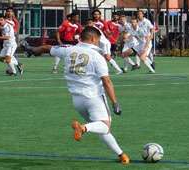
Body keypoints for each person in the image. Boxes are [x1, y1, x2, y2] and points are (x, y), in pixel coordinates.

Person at [49, 26, 130, 164]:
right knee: (104, 125)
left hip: (77, 101)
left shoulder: (69, 49)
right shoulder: (97, 57)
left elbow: (49, 48)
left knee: (100, 126)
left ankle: (121, 155)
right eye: (98, 40)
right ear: (93, 39)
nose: (98, 43)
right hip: (93, 97)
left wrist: (34, 50)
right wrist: (115, 102)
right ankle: (83, 128)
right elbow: (107, 81)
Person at [91, 10, 123, 74]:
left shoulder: (103, 22)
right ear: (93, 15)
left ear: (100, 15)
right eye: (95, 14)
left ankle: (119, 70)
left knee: (107, 57)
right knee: (100, 57)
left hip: (104, 43)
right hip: (99, 43)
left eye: (98, 14)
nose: (96, 15)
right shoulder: (91, 23)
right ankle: (103, 70)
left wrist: (111, 35)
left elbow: (107, 31)